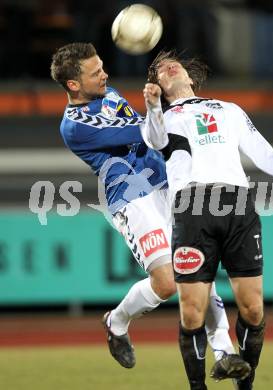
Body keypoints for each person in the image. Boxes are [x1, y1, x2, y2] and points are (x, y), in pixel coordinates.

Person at [50, 42, 238, 373]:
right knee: (167, 282)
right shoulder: (74, 126)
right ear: (73, 85)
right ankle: (116, 321)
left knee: (196, 268)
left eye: (102, 66)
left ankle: (225, 351)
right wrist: (158, 108)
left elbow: (152, 134)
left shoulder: (110, 94)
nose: (105, 74)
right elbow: (141, 132)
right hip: (130, 196)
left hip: (166, 185)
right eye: (95, 73)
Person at [142, 50, 273, 390]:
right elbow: (155, 140)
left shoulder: (229, 110)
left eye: (171, 64)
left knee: (253, 310)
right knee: (192, 312)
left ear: (190, 77)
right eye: (159, 72)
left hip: (238, 205)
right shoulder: (163, 116)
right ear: (160, 87)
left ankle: (245, 385)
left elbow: (260, 150)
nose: (166, 68)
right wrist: (152, 106)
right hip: (192, 208)